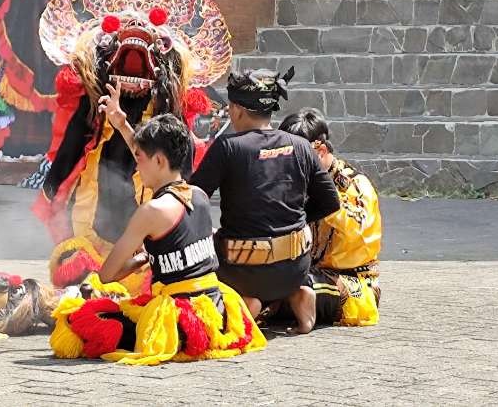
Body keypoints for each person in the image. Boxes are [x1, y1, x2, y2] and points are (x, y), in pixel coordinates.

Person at [49, 111, 266, 365]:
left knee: (77, 320)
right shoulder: (200, 196)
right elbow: (148, 153)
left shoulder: (151, 211)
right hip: (217, 315)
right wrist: (122, 124)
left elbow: (107, 275)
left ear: (160, 161)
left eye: (139, 160)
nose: (136, 167)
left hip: (177, 325)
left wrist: (141, 258)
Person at [189, 68, 340, 334]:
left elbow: (192, 198)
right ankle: (298, 295)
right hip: (294, 269)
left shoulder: (228, 148)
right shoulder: (301, 146)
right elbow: (330, 202)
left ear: (236, 109)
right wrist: (297, 222)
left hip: (242, 271)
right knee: (283, 264)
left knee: (208, 260)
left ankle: (247, 303)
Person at [279, 108, 381, 326]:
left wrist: (324, 196)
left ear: (321, 151)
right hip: (306, 272)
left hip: (351, 284)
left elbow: (359, 230)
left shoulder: (355, 184)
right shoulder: (296, 183)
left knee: (296, 286)